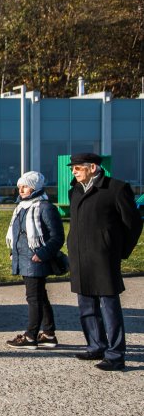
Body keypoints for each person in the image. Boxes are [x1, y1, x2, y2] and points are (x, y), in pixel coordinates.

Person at [66, 153, 142, 371]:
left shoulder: (116, 188)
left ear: (92, 167)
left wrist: (118, 250)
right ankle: (96, 345)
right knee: (86, 305)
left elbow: (133, 224)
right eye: (72, 168)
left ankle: (116, 354)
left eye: (77, 168)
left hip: (104, 257)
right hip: (80, 257)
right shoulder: (76, 191)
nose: (73, 172)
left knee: (109, 307)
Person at [4, 171, 64, 349]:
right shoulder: (22, 207)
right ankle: (49, 334)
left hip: (35, 260)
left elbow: (57, 237)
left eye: (25, 186)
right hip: (23, 258)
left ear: (35, 187)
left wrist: (42, 254)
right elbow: (18, 235)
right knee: (40, 297)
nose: (21, 189)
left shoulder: (44, 207)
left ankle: (30, 337)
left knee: (34, 298)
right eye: (19, 186)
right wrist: (13, 251)